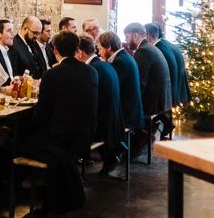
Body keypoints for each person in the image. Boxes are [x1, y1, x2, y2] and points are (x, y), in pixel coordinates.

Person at [18, 31, 97, 215]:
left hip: (61, 139)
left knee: (17, 140)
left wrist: (30, 127)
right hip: (85, 135)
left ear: (54, 50)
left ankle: (23, 188)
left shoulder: (52, 74)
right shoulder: (91, 71)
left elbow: (42, 114)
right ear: (77, 50)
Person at [76, 34, 124, 176]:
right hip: (114, 122)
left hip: (103, 128)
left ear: (80, 53)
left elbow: (86, 104)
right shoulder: (104, 65)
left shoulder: (91, 70)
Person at [124, 22, 172, 155]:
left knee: (123, 106)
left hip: (154, 101)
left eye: (127, 37)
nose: (126, 41)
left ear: (135, 35)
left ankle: (129, 147)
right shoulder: (150, 47)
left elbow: (139, 82)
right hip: (162, 98)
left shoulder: (143, 51)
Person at [145, 22, 190, 137]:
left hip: (172, 89)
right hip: (178, 87)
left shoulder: (159, 49)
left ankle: (156, 128)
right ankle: (164, 124)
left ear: (149, 36)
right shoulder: (165, 44)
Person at [97, 31, 144, 133]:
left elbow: (112, 87)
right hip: (132, 109)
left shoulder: (119, 61)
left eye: (100, 48)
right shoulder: (124, 56)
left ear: (108, 47)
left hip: (127, 114)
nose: (99, 53)